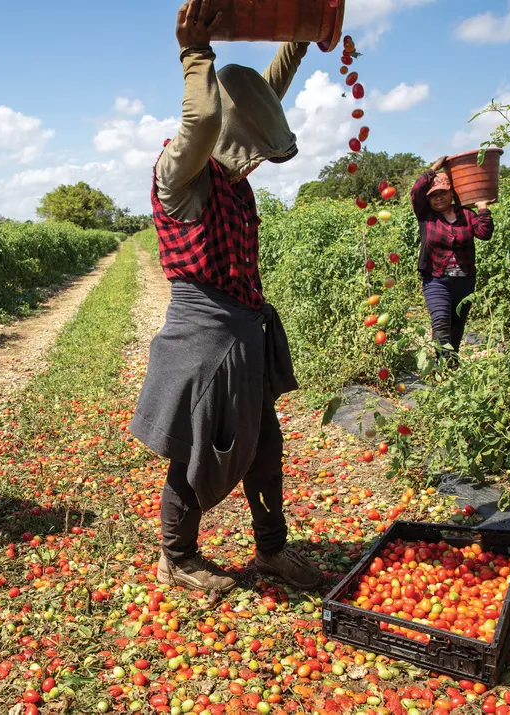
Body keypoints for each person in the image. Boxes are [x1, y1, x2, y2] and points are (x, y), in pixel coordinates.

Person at [130, 0, 323, 594]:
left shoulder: (233, 174)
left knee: (264, 445)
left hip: (245, 329)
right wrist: (195, 54)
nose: (258, 157)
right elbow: (207, 117)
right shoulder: (181, 174)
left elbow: (261, 95)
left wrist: (301, 34)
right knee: (201, 449)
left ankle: (271, 552)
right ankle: (178, 557)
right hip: (204, 331)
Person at [411, 157, 495, 367]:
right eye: (434, 195)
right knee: (440, 322)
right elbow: (415, 192)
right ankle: (443, 366)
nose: (438, 198)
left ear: (451, 194)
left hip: (464, 281)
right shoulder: (426, 216)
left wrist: (483, 208)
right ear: (428, 199)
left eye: (443, 193)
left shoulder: (466, 215)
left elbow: (484, 233)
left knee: (456, 327)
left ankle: (452, 366)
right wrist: (434, 169)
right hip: (436, 279)